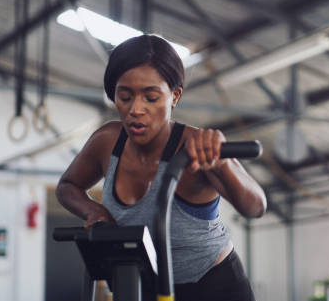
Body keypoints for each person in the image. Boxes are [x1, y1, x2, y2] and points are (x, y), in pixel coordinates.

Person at [56, 34, 266, 301]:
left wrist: (223, 163)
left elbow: (256, 207)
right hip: (149, 287)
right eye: (125, 96)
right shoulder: (107, 142)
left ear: (174, 96)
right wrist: (94, 212)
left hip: (214, 286)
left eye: (151, 98)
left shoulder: (194, 147)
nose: (136, 109)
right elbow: (67, 187)